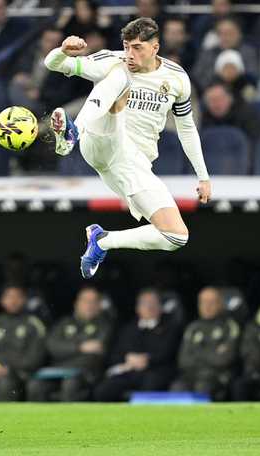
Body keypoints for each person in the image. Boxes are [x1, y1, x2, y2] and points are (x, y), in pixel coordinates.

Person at [43, 18, 211, 279]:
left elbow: (187, 129)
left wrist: (203, 176)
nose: (130, 54)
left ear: (155, 48)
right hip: (100, 139)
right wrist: (62, 50)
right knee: (120, 76)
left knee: (176, 236)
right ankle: (72, 133)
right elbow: (53, 64)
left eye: (137, 48)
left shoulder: (177, 78)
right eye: (126, 46)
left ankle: (102, 240)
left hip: (132, 163)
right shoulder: (112, 60)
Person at [93, 288, 181, 401]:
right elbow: (115, 353)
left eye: (153, 303)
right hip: (129, 371)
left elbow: (168, 352)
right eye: (144, 303)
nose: (149, 307)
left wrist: (147, 360)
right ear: (137, 308)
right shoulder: (128, 329)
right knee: (103, 390)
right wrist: (127, 359)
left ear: (160, 307)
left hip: (156, 371)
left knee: (151, 384)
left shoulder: (171, 328)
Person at [26, 286, 111, 402]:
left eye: (93, 301)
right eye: (85, 300)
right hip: (57, 370)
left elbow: (96, 351)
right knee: (35, 385)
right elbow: (52, 346)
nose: (89, 305)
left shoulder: (105, 325)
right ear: (76, 303)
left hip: (86, 373)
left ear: (99, 305)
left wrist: (66, 348)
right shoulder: (64, 323)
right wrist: (80, 347)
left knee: (70, 383)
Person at [171, 287, 240, 400]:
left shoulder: (230, 327)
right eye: (203, 302)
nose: (207, 306)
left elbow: (224, 360)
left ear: (220, 304)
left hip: (217, 377)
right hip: (192, 375)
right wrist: (212, 353)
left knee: (203, 386)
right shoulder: (192, 328)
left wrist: (197, 352)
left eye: (211, 302)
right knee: (177, 387)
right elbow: (183, 360)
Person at [192, 16, 258, 91]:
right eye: (222, 33)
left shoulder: (247, 52)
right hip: (211, 91)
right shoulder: (208, 54)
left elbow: (253, 75)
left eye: (230, 33)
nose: (226, 37)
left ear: (239, 34)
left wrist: (235, 75)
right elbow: (197, 77)